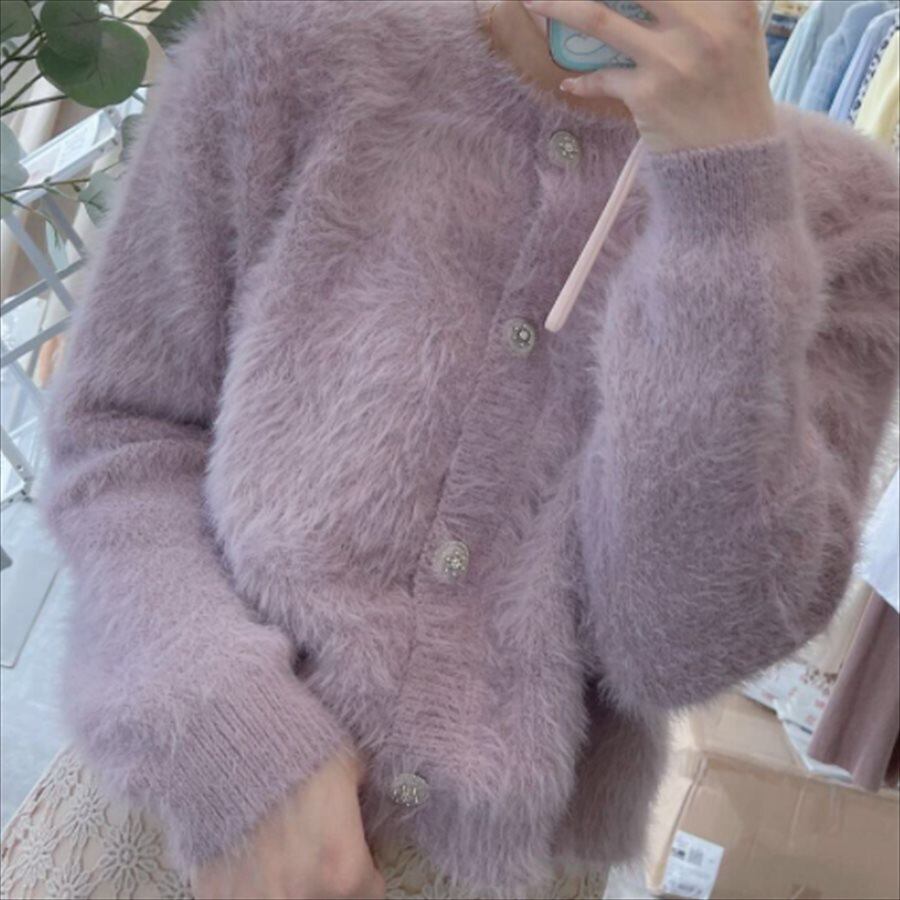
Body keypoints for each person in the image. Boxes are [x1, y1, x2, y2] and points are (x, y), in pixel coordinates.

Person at [37, 2, 899, 899]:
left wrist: (722, 209)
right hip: (180, 809)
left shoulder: (844, 213)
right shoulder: (287, 47)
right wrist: (232, 743)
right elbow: (121, 440)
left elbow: (678, 647)